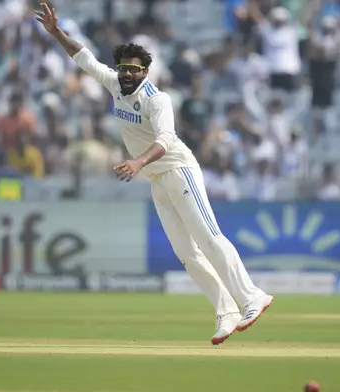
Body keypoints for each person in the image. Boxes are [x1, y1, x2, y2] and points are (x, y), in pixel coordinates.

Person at [34, 2, 274, 346]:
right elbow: (84, 58)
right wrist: (56, 33)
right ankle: (226, 311)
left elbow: (165, 140)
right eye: (122, 68)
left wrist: (137, 162)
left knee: (208, 237)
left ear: (146, 71)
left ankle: (252, 297)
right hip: (158, 180)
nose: (126, 74)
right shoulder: (115, 84)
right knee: (186, 253)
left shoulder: (157, 99)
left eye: (133, 69)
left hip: (179, 169)